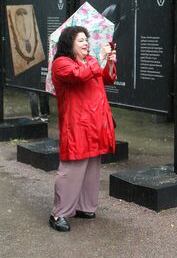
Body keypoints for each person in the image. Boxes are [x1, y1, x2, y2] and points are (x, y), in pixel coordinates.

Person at [48, 26, 117, 232]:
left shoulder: (88, 62)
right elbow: (79, 75)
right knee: (72, 169)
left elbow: (106, 78)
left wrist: (110, 63)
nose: (86, 42)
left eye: (86, 39)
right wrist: (98, 57)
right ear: (69, 43)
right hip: (77, 125)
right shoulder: (61, 64)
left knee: (92, 167)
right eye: (80, 40)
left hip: (95, 123)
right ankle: (59, 213)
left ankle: (85, 207)